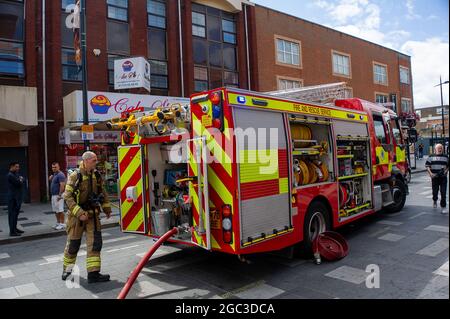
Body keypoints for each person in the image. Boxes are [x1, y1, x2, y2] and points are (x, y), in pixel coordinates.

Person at [62, 151, 112, 283]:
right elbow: (67, 196)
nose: (96, 163)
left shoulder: (96, 175)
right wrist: (79, 213)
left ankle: (93, 274)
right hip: (76, 217)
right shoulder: (74, 176)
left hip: (93, 215)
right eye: (94, 161)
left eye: (96, 160)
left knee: (95, 244)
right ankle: (67, 270)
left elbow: (103, 191)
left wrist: (106, 208)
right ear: (85, 161)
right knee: (73, 245)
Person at [425, 144, 449, 214]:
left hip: (443, 178)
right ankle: (435, 200)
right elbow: (427, 166)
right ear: (435, 149)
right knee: (435, 192)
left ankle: (443, 207)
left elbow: (448, 165)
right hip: (435, 177)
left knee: (443, 193)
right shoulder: (431, 157)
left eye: (441, 148)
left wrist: (446, 171)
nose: (440, 149)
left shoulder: (446, 157)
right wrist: (430, 174)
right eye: (438, 148)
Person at [7, 162, 25, 236]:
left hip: (17, 197)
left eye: (18, 167)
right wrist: (20, 179)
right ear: (12, 167)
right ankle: (12, 231)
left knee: (16, 214)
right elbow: (19, 182)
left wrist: (20, 179)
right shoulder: (10, 175)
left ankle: (15, 228)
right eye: (16, 167)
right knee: (12, 215)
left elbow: (21, 179)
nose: (18, 168)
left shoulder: (15, 174)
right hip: (13, 198)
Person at [49, 162, 66, 230]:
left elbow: (62, 185)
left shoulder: (60, 175)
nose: (54, 168)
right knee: (55, 210)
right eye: (53, 167)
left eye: (55, 167)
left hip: (58, 195)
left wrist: (60, 195)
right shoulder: (54, 174)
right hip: (53, 195)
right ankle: (58, 222)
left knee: (60, 210)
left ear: (59, 167)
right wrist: (50, 179)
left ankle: (62, 224)